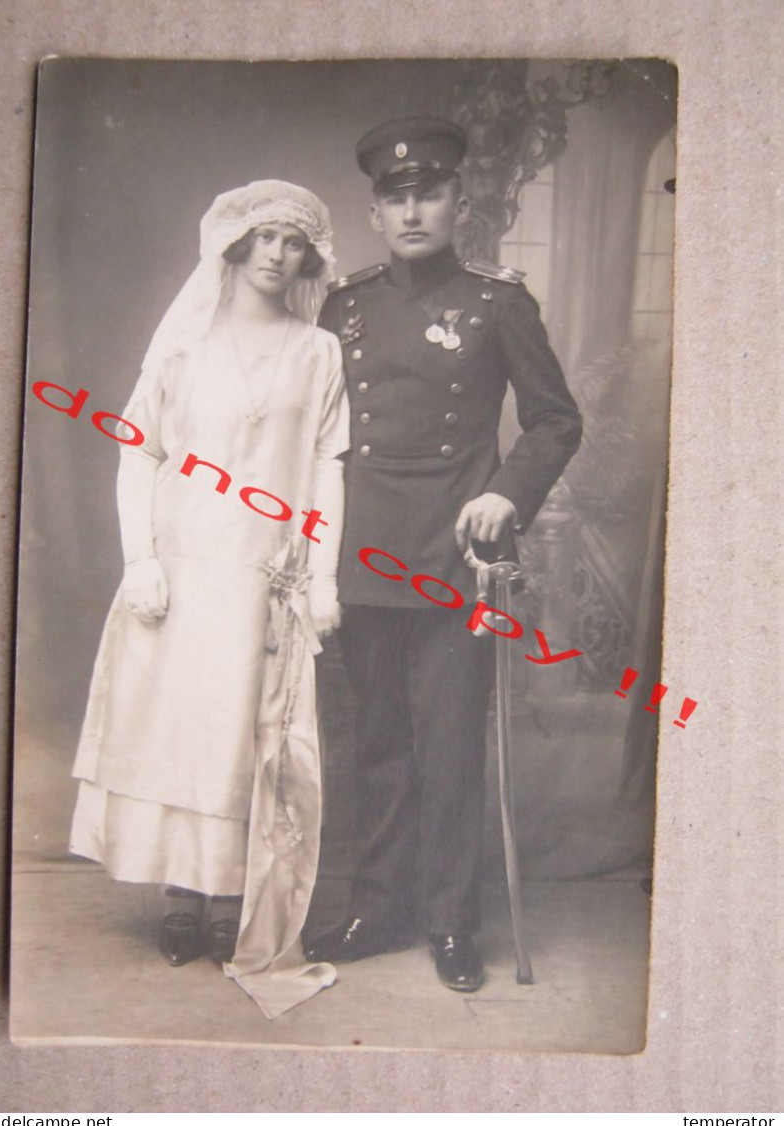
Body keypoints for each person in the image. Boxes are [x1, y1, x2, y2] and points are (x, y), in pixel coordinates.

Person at [306, 118, 582, 992]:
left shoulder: (499, 301)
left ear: (459, 202)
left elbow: (553, 418)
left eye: (429, 193)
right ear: (376, 214)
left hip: (457, 557)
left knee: (450, 744)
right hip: (361, 550)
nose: (413, 210)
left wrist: (507, 491)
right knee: (376, 742)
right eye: (396, 198)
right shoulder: (341, 306)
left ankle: (451, 921)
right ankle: (379, 906)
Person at [69, 180, 349, 1019]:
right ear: (232, 245)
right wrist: (141, 560)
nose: (276, 254)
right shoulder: (183, 347)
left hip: (267, 570)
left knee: (244, 735)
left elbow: (327, 465)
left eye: (292, 242)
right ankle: (183, 899)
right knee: (183, 729)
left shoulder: (318, 351)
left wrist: (325, 574)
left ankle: (235, 899)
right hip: (185, 564)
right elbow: (137, 451)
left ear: (308, 256)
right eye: (262, 237)